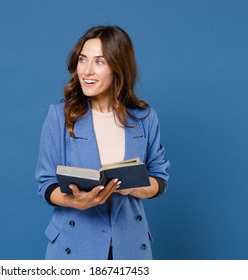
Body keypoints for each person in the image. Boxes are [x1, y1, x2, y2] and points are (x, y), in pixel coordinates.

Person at [35, 25, 169, 260]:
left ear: (118, 67)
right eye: (82, 60)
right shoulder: (60, 115)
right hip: (74, 245)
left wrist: (133, 186)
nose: (86, 70)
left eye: (99, 62)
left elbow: (159, 178)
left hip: (129, 245)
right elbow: (45, 183)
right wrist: (74, 201)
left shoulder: (144, 117)